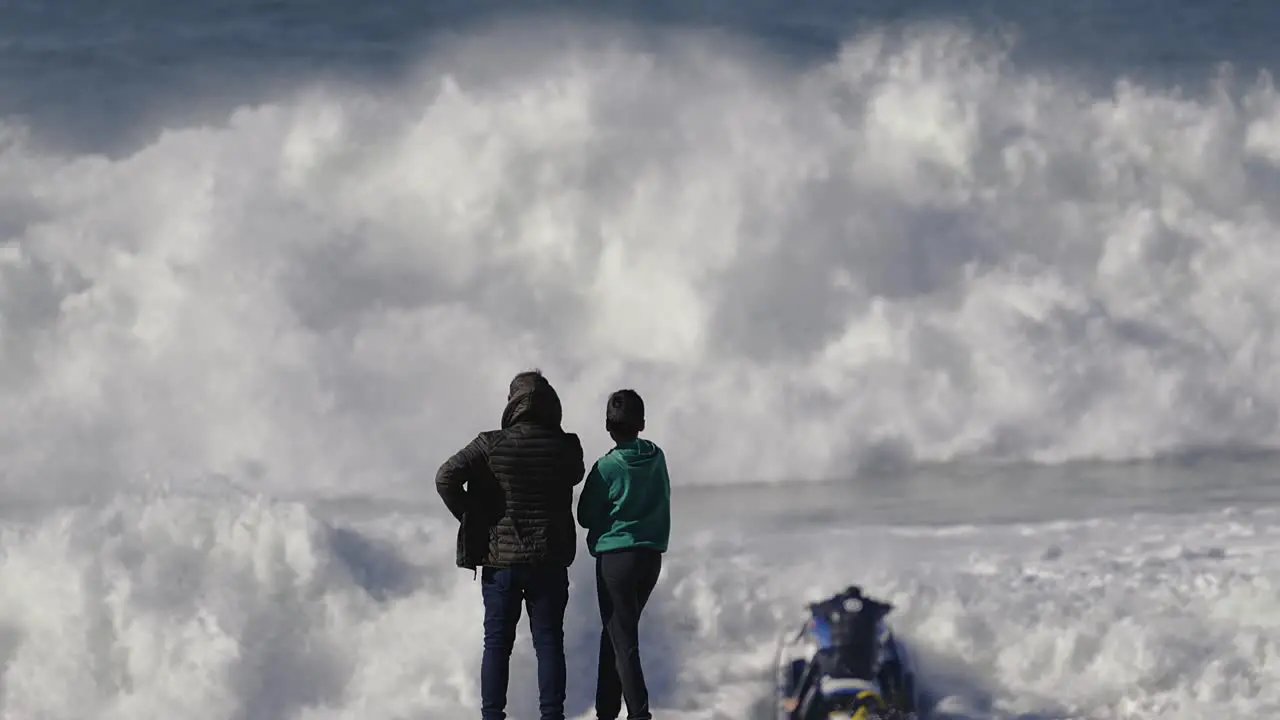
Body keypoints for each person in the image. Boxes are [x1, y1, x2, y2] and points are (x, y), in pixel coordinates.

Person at [435, 370, 585, 720]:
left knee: (497, 646)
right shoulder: (566, 446)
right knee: (549, 645)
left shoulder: (489, 444)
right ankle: (552, 716)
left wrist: (472, 518)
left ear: (512, 403)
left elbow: (445, 477)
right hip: (548, 562)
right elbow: (576, 474)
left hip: (501, 564)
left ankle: (492, 716)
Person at [576, 388, 671, 720]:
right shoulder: (656, 456)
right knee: (615, 635)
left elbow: (585, 516)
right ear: (642, 423)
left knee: (623, 640)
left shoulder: (607, 467)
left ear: (607, 426)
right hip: (651, 557)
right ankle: (606, 711)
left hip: (617, 559)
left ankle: (639, 714)